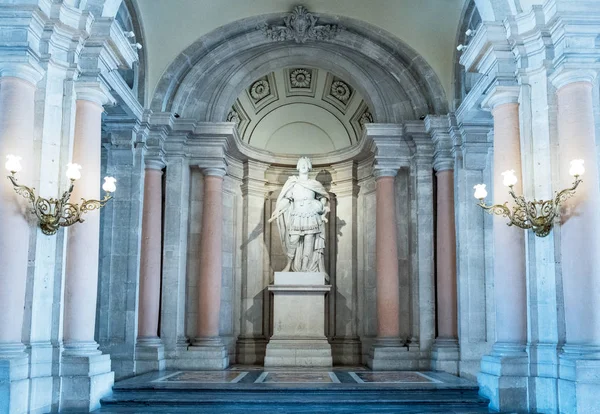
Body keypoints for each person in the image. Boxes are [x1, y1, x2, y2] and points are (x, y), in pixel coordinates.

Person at [269, 156, 330, 272]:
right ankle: (289, 265)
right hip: (297, 214)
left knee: (309, 240)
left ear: (309, 167)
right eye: (301, 163)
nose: (303, 166)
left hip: (311, 214)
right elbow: (287, 199)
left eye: (306, 164)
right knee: (293, 240)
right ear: (297, 166)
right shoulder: (293, 183)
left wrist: (321, 207)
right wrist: (277, 209)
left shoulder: (314, 184)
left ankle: (304, 267)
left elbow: (323, 196)